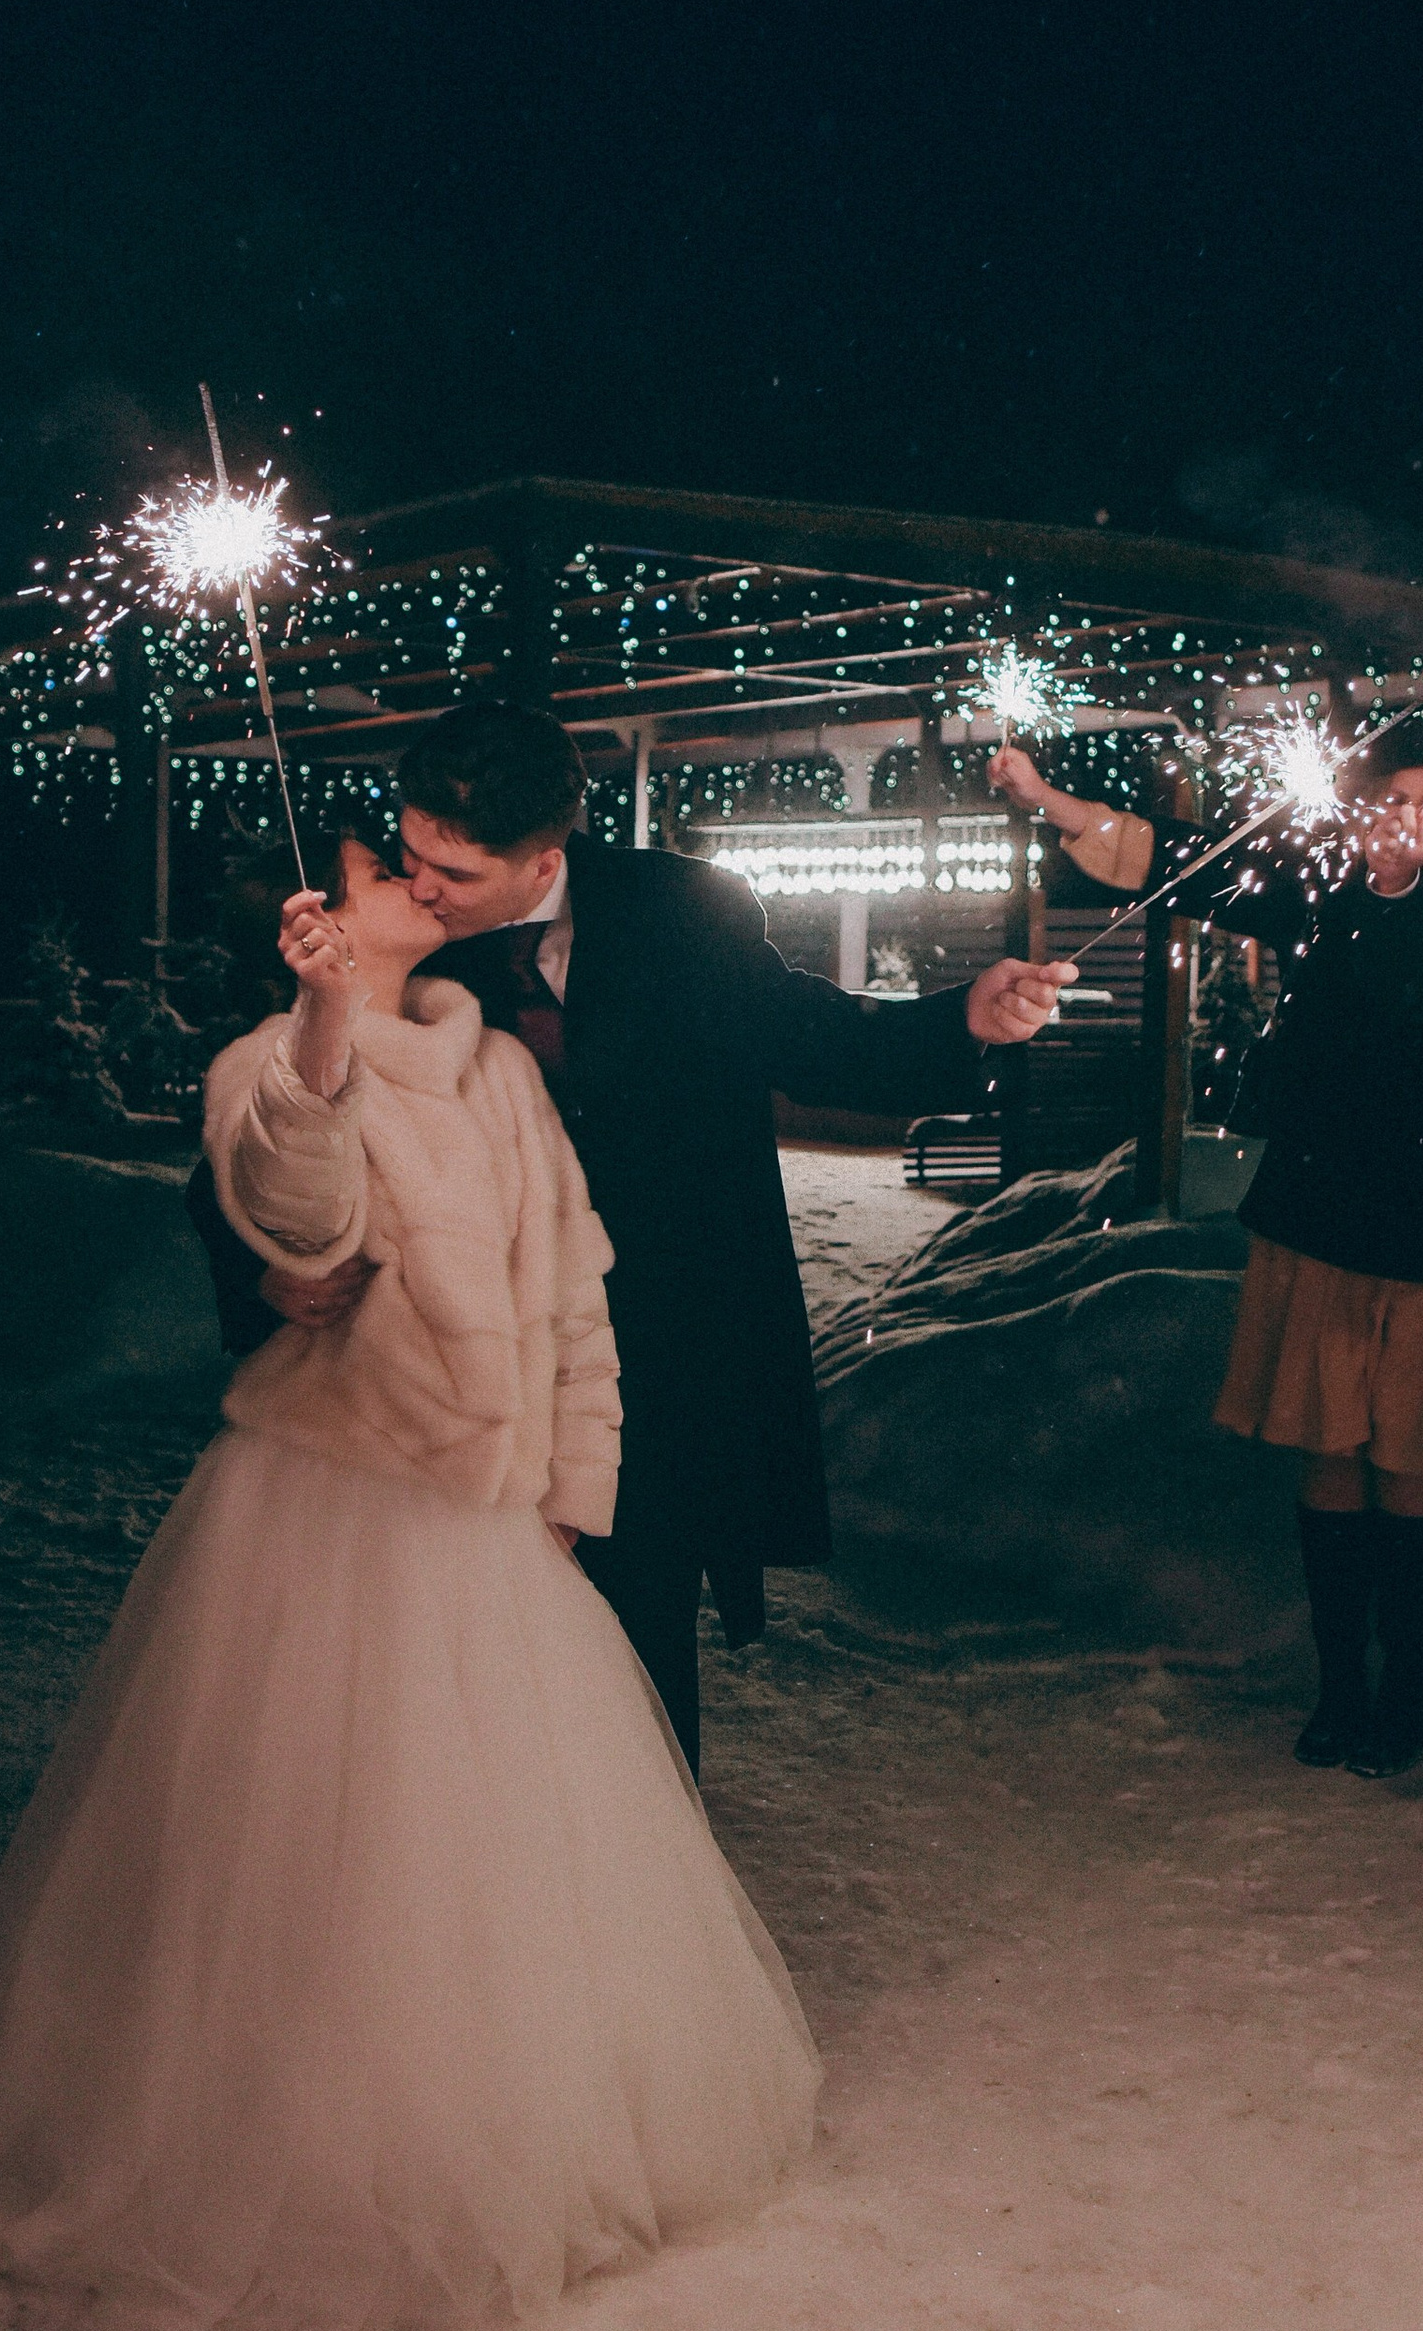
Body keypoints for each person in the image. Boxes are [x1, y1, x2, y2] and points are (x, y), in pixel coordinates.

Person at [0, 826, 823, 2331]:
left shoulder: (500, 1072)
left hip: (485, 1524)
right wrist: (325, 1025)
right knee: (304, 1833)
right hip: (328, 1505)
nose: (410, 881)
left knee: (483, 1843)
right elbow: (298, 1212)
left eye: (420, 863)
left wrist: (568, 1487)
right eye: (375, 871)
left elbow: (566, 1285)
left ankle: (489, 2119)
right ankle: (308, 2141)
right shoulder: (268, 1061)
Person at [193, 699, 1075, 1773]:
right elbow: (268, 1117)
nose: (421, 886)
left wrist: (962, 1022)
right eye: (410, 852)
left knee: (635, 1654)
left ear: (542, 859)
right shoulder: (392, 941)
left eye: (454, 874)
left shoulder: (680, 912)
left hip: (661, 1348)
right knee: (441, 1683)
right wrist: (257, 1267)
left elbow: (813, 1035)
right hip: (457, 1367)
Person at [991, 723, 1423, 1777]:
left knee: (1409, 1458)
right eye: (1396, 799)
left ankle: (1403, 1693)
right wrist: (1047, 797)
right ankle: (1342, 1685)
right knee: (1330, 1450)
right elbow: (1182, 862)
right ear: (1358, 810)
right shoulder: (1315, 893)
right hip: (1318, 1215)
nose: (1414, 821)